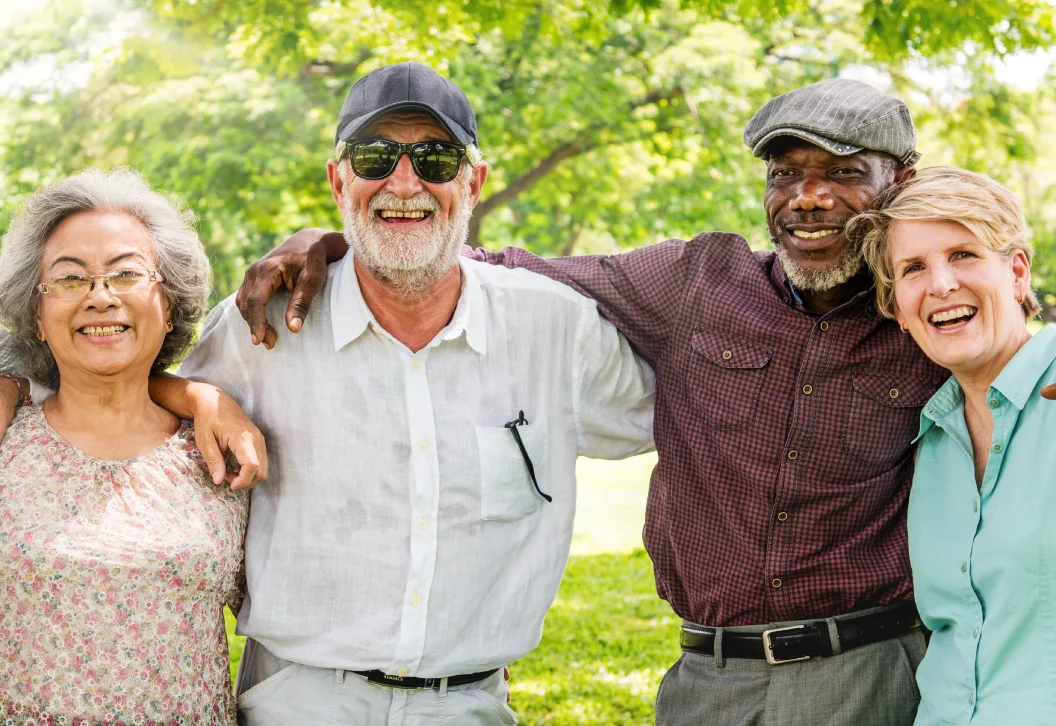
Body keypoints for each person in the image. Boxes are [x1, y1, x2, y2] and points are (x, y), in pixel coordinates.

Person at [240, 78, 954, 725]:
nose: (809, 197)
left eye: (845, 173)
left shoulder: (932, 319)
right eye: (785, 173)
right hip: (711, 681)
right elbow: (491, 269)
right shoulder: (698, 283)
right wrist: (334, 243)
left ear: (903, 183)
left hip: (870, 671)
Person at [173, 62, 654, 724]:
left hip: (470, 706)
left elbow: (690, 414)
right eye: (376, 158)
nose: (404, 183)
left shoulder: (556, 328)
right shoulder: (261, 326)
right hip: (299, 700)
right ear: (339, 181)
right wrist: (198, 398)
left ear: (473, 182)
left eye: (435, 158)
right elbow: (119, 393)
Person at [0, 168, 249, 723]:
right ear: (37, 315)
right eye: (70, 279)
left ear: (170, 304)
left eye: (126, 274)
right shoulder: (6, 443)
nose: (100, 297)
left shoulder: (219, 453)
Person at [854, 167, 1052, 725]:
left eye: (964, 255)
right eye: (913, 268)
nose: (940, 284)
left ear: (1017, 273)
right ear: (897, 309)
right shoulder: (928, 441)